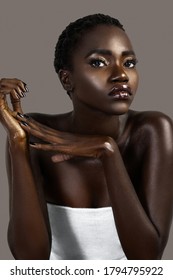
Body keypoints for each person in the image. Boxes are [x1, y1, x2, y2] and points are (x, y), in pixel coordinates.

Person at [0, 14, 173, 260]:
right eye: (99, 63)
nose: (121, 75)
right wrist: (17, 144)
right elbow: (29, 261)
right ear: (66, 79)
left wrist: (107, 152)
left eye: (129, 63)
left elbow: (147, 260)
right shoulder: (36, 132)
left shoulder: (152, 130)